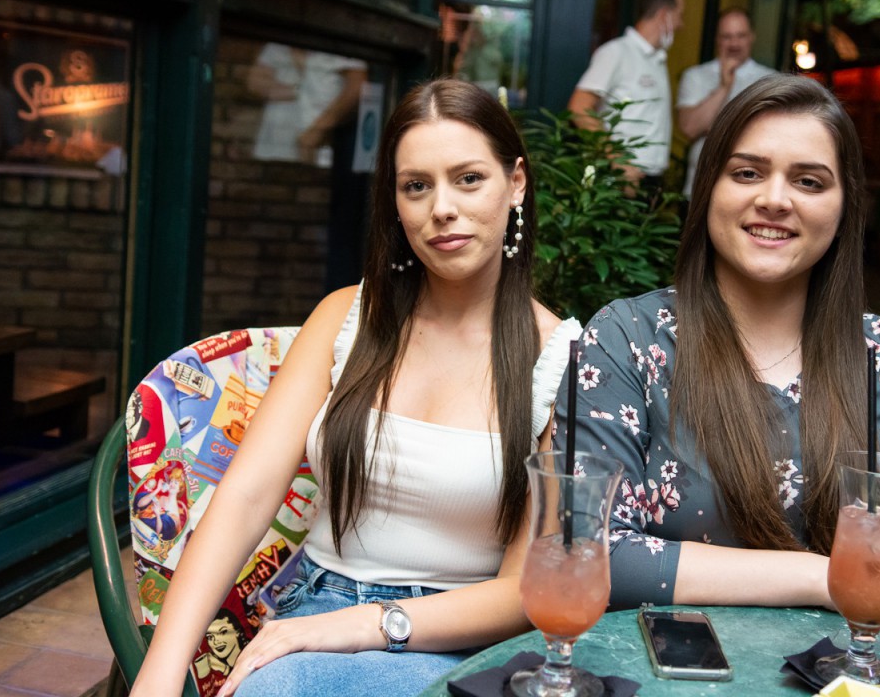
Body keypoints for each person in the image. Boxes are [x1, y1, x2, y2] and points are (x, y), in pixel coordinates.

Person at [131, 79, 581, 697]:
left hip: (462, 641)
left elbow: (524, 591)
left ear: (517, 182)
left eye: (469, 179)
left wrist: (367, 624)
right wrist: (158, 675)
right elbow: (245, 497)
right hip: (316, 610)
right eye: (416, 186)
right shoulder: (346, 318)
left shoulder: (559, 358)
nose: (441, 208)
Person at [557, 74, 880, 618]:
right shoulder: (629, 340)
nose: (773, 200)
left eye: (809, 182)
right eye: (747, 173)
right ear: (707, 188)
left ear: (845, 207)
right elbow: (589, 550)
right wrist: (824, 578)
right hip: (666, 660)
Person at [568, 0, 684, 195]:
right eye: (679, 15)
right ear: (664, 15)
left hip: (651, 179)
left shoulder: (658, 58)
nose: (680, 24)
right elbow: (579, 107)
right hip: (622, 178)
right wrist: (617, 160)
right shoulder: (616, 52)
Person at [676, 8, 775, 200]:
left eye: (741, 36)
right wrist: (724, 87)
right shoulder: (695, 76)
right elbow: (689, 128)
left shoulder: (770, 81)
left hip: (751, 191)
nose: (734, 43)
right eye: (727, 37)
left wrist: (714, 125)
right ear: (717, 39)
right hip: (699, 189)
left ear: (752, 37)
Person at [247, 42, 367, 167]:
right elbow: (254, 82)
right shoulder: (276, 46)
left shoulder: (339, 46)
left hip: (317, 146)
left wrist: (317, 131)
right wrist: (298, 91)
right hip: (275, 146)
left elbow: (357, 87)